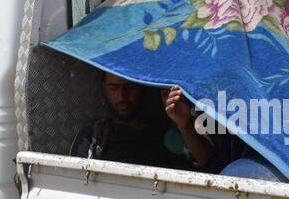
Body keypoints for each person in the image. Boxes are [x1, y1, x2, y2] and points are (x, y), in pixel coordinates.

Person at [69, 71, 218, 169]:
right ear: (104, 87)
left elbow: (210, 169)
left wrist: (185, 126)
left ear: (142, 87)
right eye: (114, 88)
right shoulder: (95, 137)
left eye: (130, 88)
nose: (122, 97)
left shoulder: (168, 133)